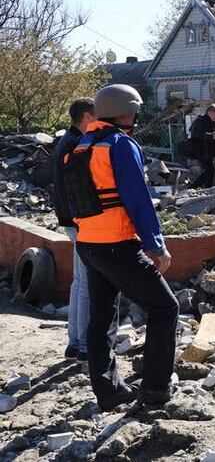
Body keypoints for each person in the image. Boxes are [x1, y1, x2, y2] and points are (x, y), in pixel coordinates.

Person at [64, 84, 177, 411]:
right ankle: (155, 390)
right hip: (117, 245)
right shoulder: (120, 144)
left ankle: (109, 391)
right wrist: (156, 246)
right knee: (164, 308)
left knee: (101, 317)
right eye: (134, 110)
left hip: (88, 244)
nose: (136, 115)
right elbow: (137, 199)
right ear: (124, 113)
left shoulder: (81, 145)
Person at [52, 98, 96, 363]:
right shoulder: (75, 144)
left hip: (70, 221)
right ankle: (82, 346)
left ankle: (74, 344)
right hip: (79, 222)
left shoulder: (66, 141)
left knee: (79, 283)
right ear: (87, 116)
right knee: (86, 285)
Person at [189, 104, 215, 189]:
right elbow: (195, 134)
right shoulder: (199, 121)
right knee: (209, 170)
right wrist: (211, 136)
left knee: (210, 170)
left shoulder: (213, 122)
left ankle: (208, 188)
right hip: (200, 150)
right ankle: (193, 187)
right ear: (209, 113)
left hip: (209, 150)